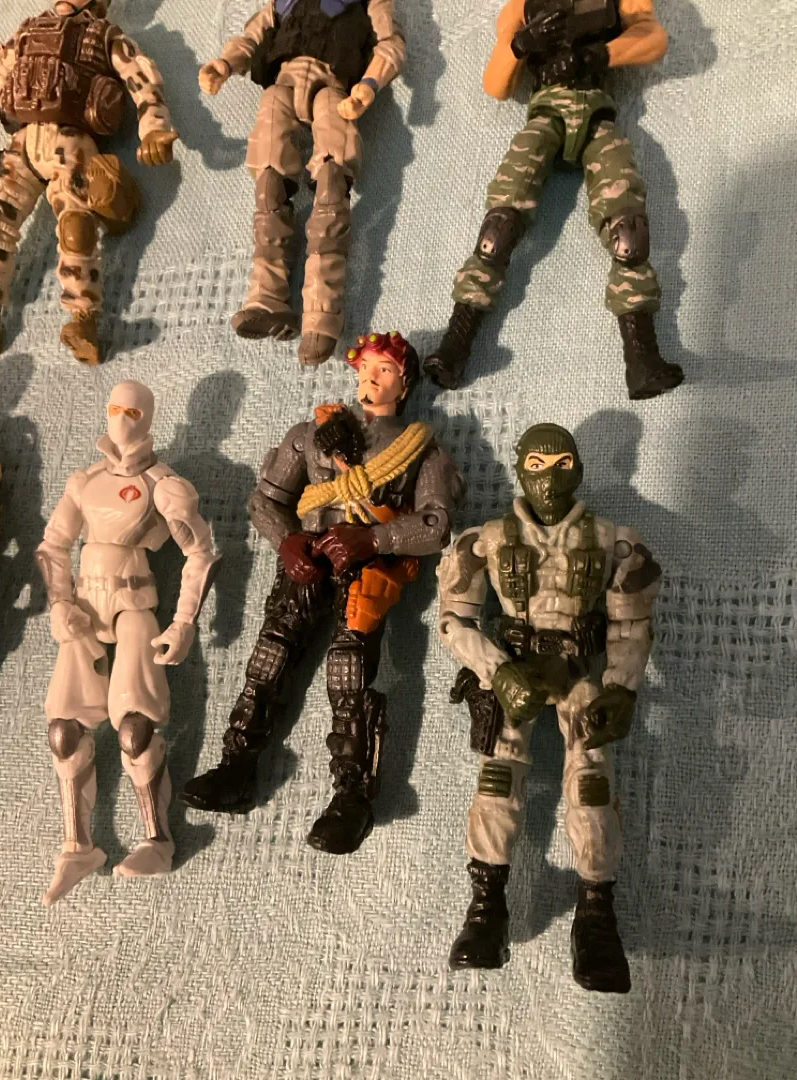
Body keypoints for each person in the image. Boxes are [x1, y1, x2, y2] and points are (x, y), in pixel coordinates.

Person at [183, 331, 464, 854]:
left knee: (348, 671)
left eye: (384, 370)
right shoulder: (313, 436)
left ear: (404, 384)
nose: (371, 378)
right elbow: (266, 500)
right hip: (306, 563)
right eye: (366, 368)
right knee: (268, 658)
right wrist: (287, 540)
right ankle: (237, 764)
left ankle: (352, 796)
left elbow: (435, 525)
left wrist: (373, 539)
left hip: (366, 572)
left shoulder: (419, 452)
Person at [437, 422, 660, 992]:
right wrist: (496, 670)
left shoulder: (612, 541)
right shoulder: (485, 541)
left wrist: (622, 687)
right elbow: (455, 620)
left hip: (581, 673)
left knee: (591, 782)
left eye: (562, 464)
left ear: (578, 470)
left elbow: (631, 623)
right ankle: (486, 908)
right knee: (497, 777)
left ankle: (596, 915)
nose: (549, 478)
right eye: (536, 464)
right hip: (515, 671)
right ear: (519, 470)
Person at [425, 0, 684, 400]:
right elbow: (496, 85)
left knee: (629, 234)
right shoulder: (522, 5)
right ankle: (455, 345)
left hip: (597, 113)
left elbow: (653, 39)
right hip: (546, 115)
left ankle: (642, 359)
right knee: (498, 230)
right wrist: (521, 45)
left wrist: (597, 55)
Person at [36, 380, 219, 905]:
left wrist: (183, 621)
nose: (120, 419)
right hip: (85, 608)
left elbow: (201, 553)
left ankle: (157, 840)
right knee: (63, 732)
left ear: (149, 417)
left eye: (132, 411)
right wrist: (59, 602)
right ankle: (78, 847)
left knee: (136, 729)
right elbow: (53, 546)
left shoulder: (164, 484)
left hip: (136, 604)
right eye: (114, 408)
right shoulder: (85, 481)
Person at [199, 1, 406, 366]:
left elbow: (391, 44)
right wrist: (227, 63)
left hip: (332, 88)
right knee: (269, 187)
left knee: (331, 187)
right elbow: (253, 35)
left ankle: (322, 312)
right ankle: (266, 297)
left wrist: (369, 84)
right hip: (283, 84)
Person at [0, 1, 178, 365]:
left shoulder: (104, 35)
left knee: (76, 227)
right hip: (23, 142)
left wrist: (154, 126)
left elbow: (140, 77)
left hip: (71, 143)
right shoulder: (26, 31)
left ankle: (83, 319)